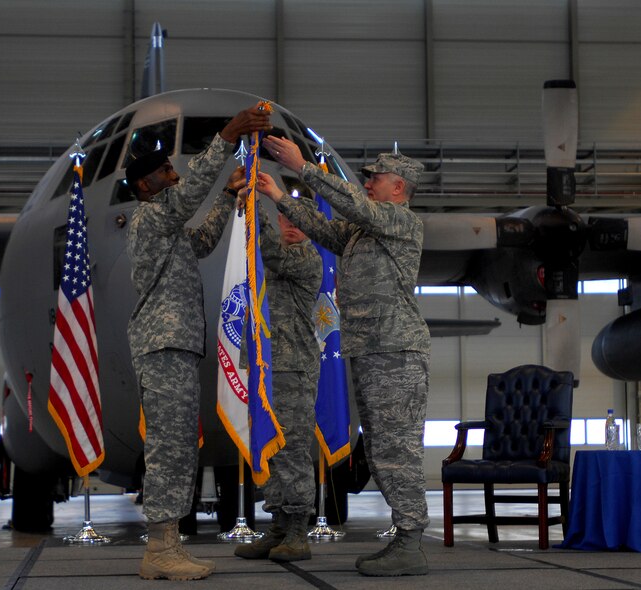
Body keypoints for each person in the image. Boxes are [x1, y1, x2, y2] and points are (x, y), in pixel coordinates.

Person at [256, 135, 431, 577]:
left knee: (397, 449)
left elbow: (354, 206)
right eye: (368, 178)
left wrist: (304, 167)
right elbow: (326, 228)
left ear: (399, 188)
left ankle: (410, 541)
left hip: (396, 351)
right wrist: (278, 195)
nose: (369, 183)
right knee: (379, 447)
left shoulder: (400, 220)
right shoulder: (364, 230)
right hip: (373, 350)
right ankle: (404, 537)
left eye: (376, 178)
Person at [125, 102, 272, 581]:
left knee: (179, 446)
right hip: (164, 347)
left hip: (177, 347)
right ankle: (159, 550)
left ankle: (167, 545)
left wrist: (229, 197)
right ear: (146, 185)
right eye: (166, 170)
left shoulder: (167, 227)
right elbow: (187, 201)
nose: (173, 173)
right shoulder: (150, 217)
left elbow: (202, 239)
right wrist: (228, 135)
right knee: (168, 449)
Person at [234, 201, 322, 563]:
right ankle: (279, 525)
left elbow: (271, 251)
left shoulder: (306, 258)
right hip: (267, 368)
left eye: (300, 220)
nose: (291, 225)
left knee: (293, 449)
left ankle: (299, 527)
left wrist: (253, 211)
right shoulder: (269, 264)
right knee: (269, 447)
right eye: (286, 217)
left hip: (293, 368)